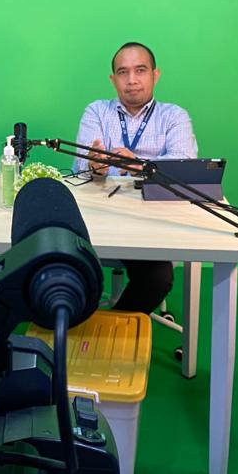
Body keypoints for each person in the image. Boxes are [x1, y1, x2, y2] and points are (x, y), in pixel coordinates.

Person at [73, 42, 198, 314]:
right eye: (123, 72)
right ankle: (75, 322)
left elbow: (184, 165)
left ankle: (112, 329)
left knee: (158, 278)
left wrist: (140, 165)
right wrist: (95, 166)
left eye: (140, 70)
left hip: (154, 220)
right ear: (113, 79)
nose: (131, 80)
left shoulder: (174, 116)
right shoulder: (97, 112)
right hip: (100, 216)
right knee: (64, 258)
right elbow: (80, 164)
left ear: (155, 75)